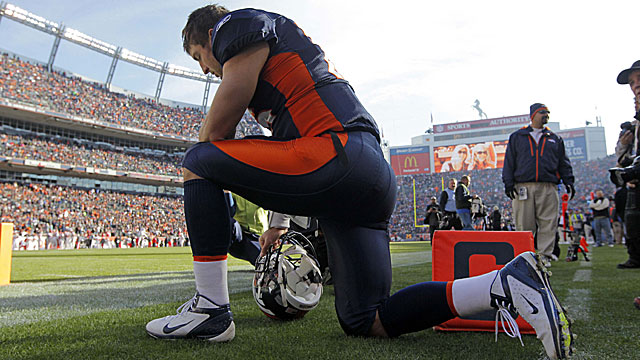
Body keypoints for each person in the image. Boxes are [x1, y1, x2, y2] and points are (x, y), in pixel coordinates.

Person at [145, 6, 573, 359]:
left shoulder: (232, 26)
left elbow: (218, 130)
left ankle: (211, 308)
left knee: (198, 158)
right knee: (367, 319)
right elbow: (284, 146)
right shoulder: (278, 50)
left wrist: (213, 175)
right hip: (367, 172)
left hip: (334, 152)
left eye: (200, 58)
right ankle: (505, 283)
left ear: (206, 36)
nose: (205, 70)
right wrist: (276, 219)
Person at [502, 103, 575, 268]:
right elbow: (509, 161)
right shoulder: (517, 137)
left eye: (548, 113)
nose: (546, 115)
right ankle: (524, 256)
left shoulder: (555, 138)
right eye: (542, 112)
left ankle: (544, 257)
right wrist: (508, 183)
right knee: (523, 223)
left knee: (548, 223)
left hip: (548, 185)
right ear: (533, 115)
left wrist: (569, 180)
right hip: (523, 185)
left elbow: (563, 162)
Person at [613, 60, 640, 269]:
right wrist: (624, 146)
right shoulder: (634, 125)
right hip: (635, 185)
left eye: (639, 78)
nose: (635, 85)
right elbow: (622, 159)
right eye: (632, 82)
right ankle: (635, 256)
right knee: (633, 224)